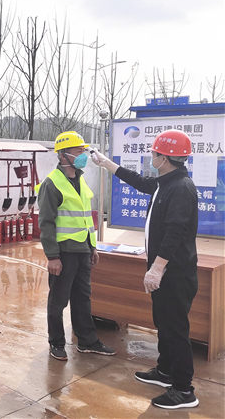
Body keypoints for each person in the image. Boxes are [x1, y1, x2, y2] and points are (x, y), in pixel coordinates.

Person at [92, 129, 199, 409]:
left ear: (164, 158)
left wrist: (157, 268)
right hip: (165, 272)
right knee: (163, 323)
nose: (151, 156)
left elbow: (175, 232)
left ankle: (184, 390)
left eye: (154, 153)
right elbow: (139, 182)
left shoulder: (181, 188)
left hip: (175, 274)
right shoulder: (166, 182)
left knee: (175, 329)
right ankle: (165, 372)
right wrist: (106, 163)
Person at [37, 131, 116, 361]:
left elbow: (85, 218)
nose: (83, 155)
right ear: (63, 155)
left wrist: (92, 246)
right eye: (78, 151)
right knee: (58, 300)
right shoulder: (52, 183)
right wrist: (52, 256)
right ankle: (56, 343)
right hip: (64, 253)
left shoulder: (80, 180)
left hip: (82, 250)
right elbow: (46, 223)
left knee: (83, 298)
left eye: (83, 151)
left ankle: (87, 341)